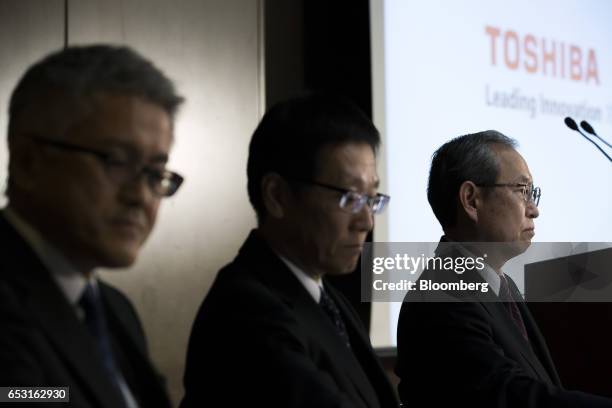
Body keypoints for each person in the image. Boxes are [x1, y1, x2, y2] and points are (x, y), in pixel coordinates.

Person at [181, 93, 398, 408]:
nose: (366, 222)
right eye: (350, 198)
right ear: (277, 196)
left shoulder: (326, 297)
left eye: (372, 198)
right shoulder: (247, 309)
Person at [0, 45, 184, 408]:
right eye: (115, 161)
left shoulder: (115, 309)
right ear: (28, 162)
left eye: (155, 173)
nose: (142, 197)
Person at [395, 130, 612, 407]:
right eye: (523, 191)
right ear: (471, 200)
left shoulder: (501, 284)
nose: (533, 209)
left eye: (533, 193)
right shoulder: (442, 294)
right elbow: (505, 394)